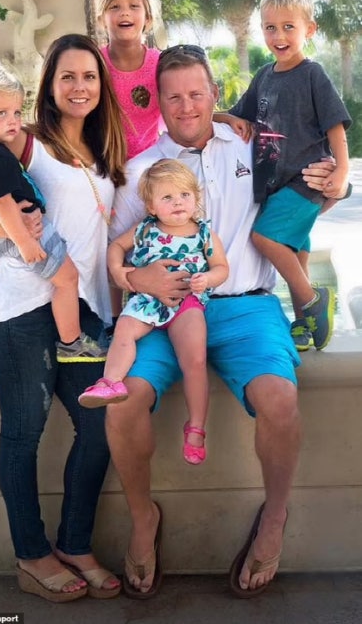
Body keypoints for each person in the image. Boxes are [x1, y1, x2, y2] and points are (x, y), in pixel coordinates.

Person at [104, 43, 350, 599]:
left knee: (280, 400)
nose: (186, 106)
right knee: (123, 401)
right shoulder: (141, 171)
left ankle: (274, 519)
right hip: (165, 310)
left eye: (197, 94)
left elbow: (311, 184)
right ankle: (143, 519)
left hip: (246, 306)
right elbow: (116, 253)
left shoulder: (253, 145)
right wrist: (136, 279)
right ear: (158, 102)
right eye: (174, 97)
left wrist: (339, 181)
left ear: (215, 94)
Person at [0, 34, 127, 602]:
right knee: (24, 433)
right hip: (21, 309)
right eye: (67, 76)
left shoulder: (103, 148)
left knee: (100, 425)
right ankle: (31, 554)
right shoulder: (20, 139)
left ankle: (74, 543)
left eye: (89, 76)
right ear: (49, 85)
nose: (79, 86)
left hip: (81, 309)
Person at [0, 63, 106, 362]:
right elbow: (3, 204)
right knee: (67, 279)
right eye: (2, 113)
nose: (13, 121)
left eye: (17, 112)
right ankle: (71, 342)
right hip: (29, 231)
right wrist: (26, 242)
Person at [78, 158, 229, 468]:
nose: (178, 203)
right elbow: (116, 247)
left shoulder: (204, 233)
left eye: (184, 195)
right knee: (124, 331)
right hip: (146, 300)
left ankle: (196, 427)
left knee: (195, 359)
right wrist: (119, 270)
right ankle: (111, 382)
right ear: (151, 206)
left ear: (196, 198)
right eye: (167, 197)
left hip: (186, 300)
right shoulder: (145, 228)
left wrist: (208, 279)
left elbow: (221, 267)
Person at [228, 0, 352, 352]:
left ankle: (313, 300)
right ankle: (304, 324)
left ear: (308, 30)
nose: (279, 36)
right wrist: (218, 116)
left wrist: (342, 172)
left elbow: (335, 126)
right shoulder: (264, 76)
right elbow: (238, 114)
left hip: (305, 181)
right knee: (296, 252)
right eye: (270, 27)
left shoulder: (313, 74)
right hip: (276, 184)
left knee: (264, 238)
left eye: (288, 27)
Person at [97, 0, 163, 160]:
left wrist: (223, 118)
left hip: (150, 163)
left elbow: (182, 108)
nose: (124, 12)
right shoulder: (95, 63)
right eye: (114, 7)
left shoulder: (160, 64)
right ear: (101, 20)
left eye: (134, 6)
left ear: (148, 18)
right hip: (103, 163)